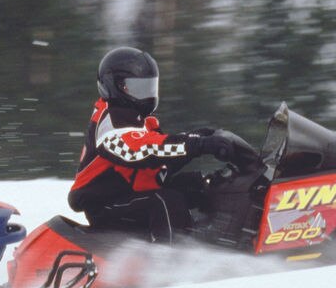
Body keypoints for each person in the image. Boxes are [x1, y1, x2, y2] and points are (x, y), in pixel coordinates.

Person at [67, 46, 237, 243]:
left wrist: (200, 138)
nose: (146, 95)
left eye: (149, 87)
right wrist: (197, 145)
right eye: (137, 88)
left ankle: (223, 242)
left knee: (200, 185)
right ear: (115, 86)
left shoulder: (141, 122)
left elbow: (162, 159)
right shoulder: (109, 119)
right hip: (104, 205)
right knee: (165, 202)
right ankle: (171, 262)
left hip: (131, 193)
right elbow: (139, 150)